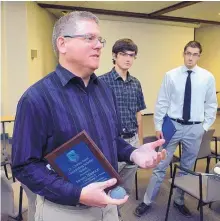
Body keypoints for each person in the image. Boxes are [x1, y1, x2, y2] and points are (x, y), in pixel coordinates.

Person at [12, 11, 166, 221]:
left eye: (99, 39)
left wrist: (133, 153)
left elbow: (110, 140)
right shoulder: (36, 98)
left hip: (108, 205)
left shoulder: (104, 90)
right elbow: (25, 166)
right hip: (65, 210)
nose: (99, 45)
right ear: (62, 44)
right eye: (89, 38)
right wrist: (78, 194)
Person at [134, 40, 218, 218]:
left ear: (199, 56)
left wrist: (203, 127)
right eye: (188, 53)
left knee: (187, 167)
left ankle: (179, 200)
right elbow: (162, 101)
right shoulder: (171, 75)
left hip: (194, 128)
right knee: (160, 165)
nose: (191, 57)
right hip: (172, 126)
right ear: (184, 53)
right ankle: (147, 201)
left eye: (195, 54)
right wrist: (158, 125)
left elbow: (211, 104)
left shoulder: (207, 77)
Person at [99, 39, 145, 218]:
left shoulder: (135, 83)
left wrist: (139, 142)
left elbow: (138, 113)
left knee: (123, 185)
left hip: (132, 140)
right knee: (107, 183)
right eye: (123, 54)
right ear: (114, 56)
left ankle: (114, 212)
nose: (128, 59)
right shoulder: (102, 82)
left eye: (131, 55)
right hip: (112, 142)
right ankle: (106, 214)